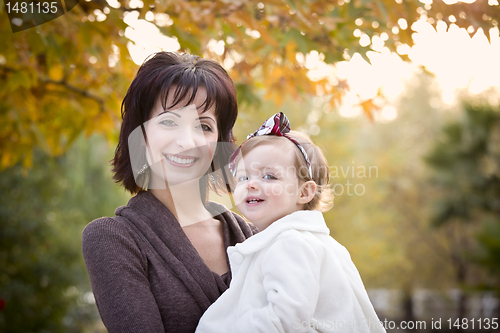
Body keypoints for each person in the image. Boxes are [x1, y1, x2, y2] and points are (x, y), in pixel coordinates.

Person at [81, 51, 258, 333]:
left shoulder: (257, 237)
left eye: (203, 126)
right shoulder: (114, 239)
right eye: (168, 121)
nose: (187, 141)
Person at [196, 113, 386, 333]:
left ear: (304, 192)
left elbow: (285, 319)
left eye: (269, 177)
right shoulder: (312, 241)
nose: (252, 185)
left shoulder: (290, 243)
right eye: (243, 177)